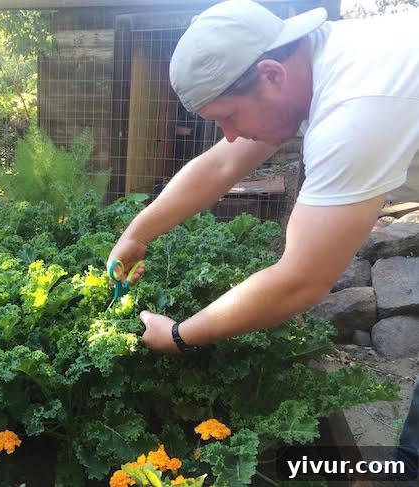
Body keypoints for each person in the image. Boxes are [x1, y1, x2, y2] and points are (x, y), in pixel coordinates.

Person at [106, 0, 419, 481]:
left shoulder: (356, 111)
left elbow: (300, 280)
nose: (229, 136)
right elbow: (221, 164)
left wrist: (178, 336)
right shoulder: (308, 65)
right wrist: (136, 233)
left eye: (229, 117)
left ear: (271, 74)